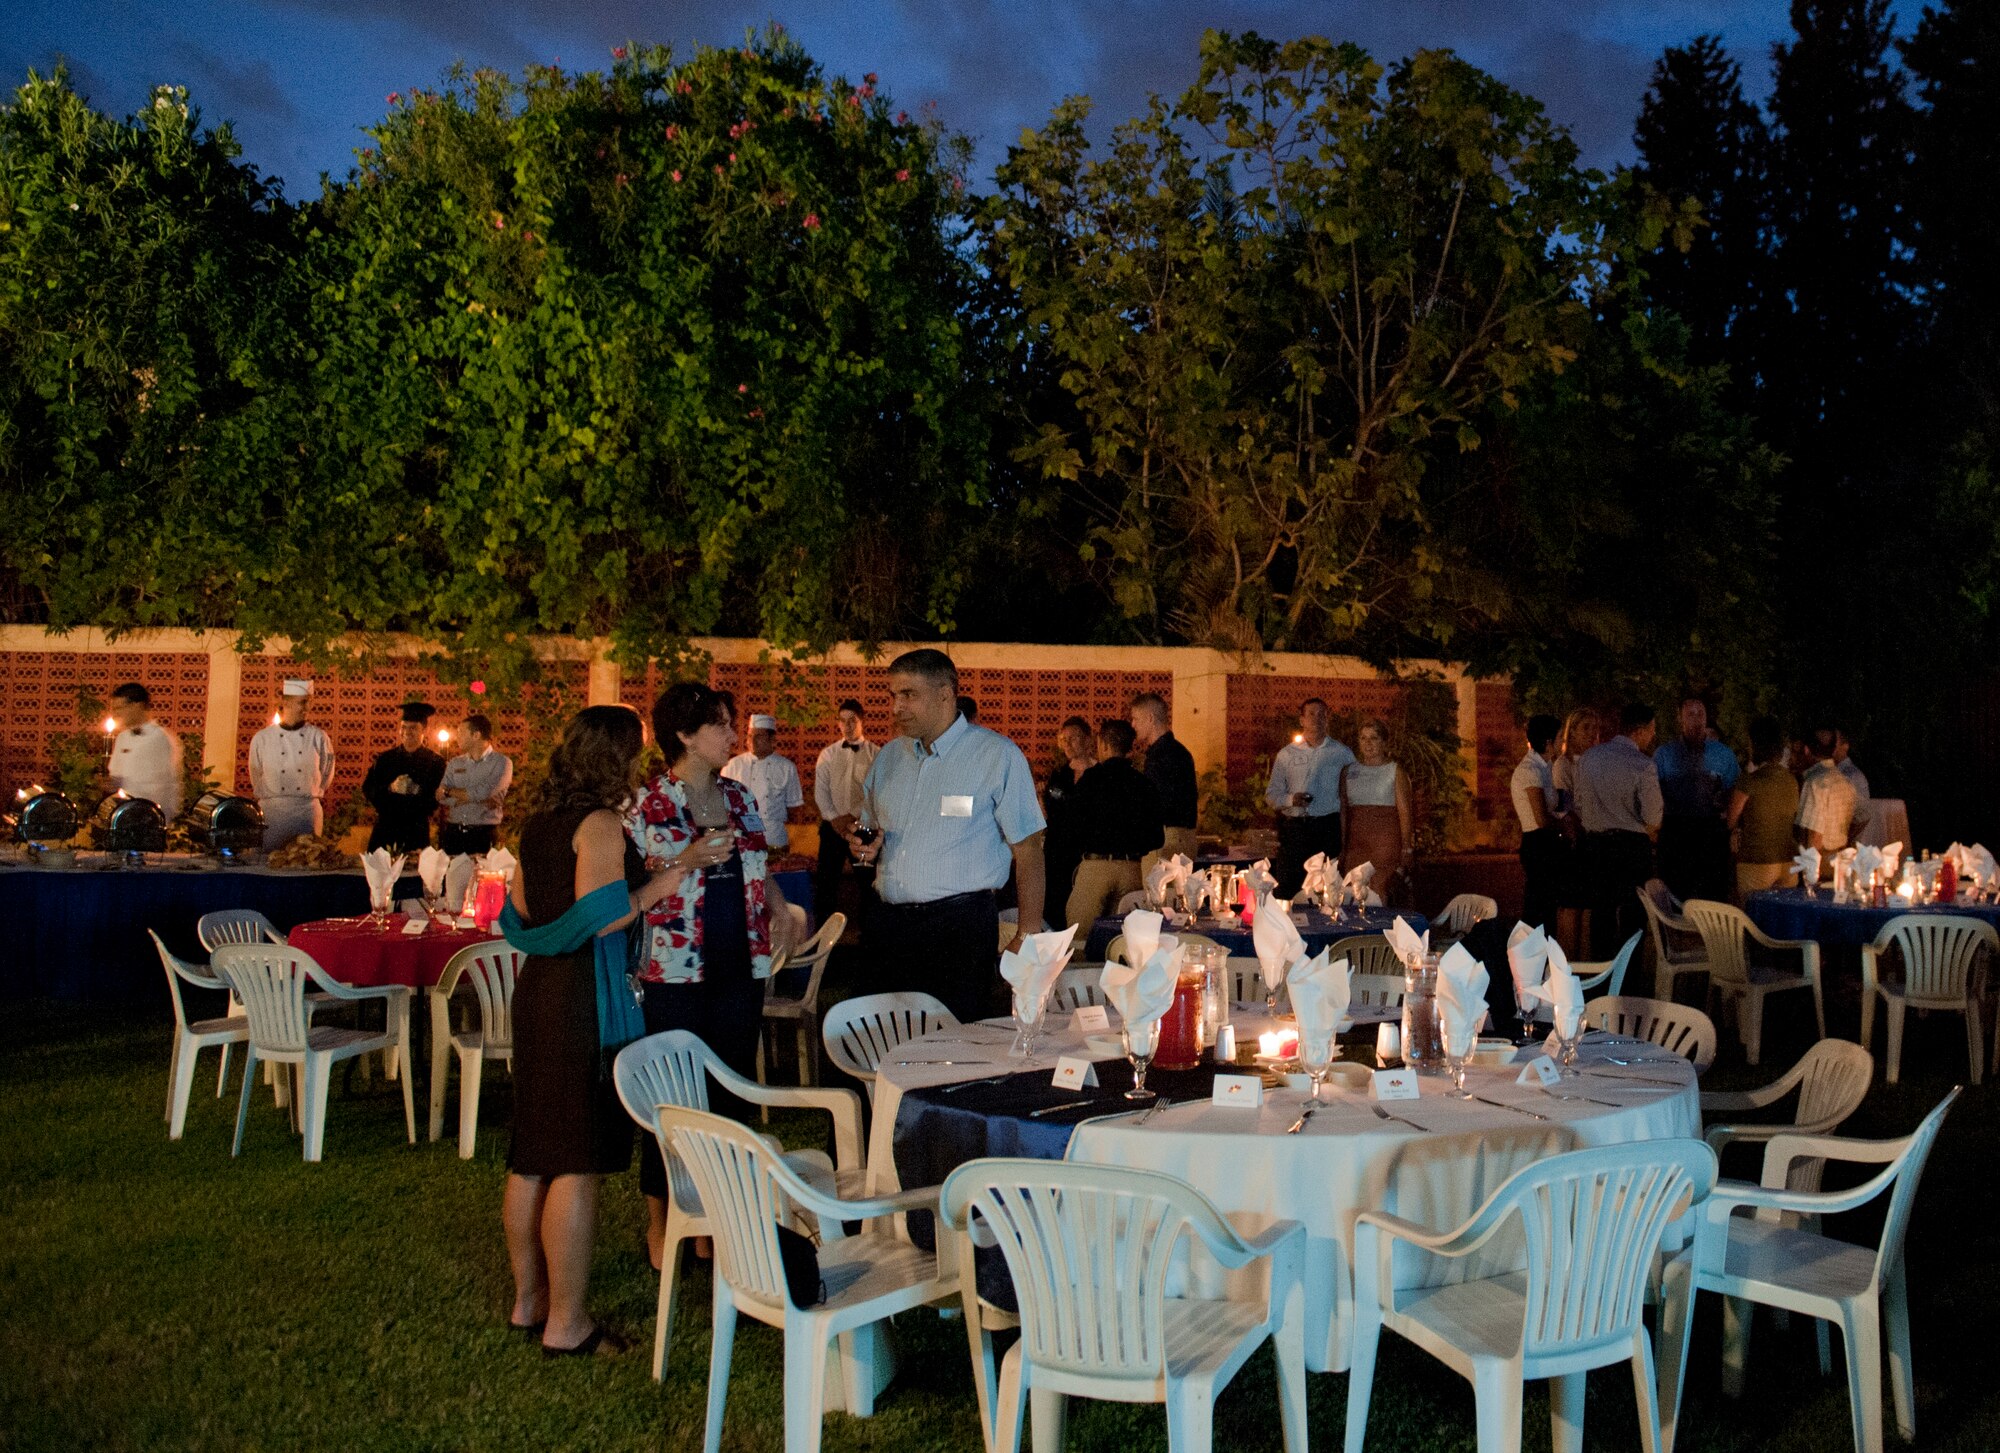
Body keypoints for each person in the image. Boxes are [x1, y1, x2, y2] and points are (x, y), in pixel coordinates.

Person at [503, 704, 684, 1356]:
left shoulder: (539, 823)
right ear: (617, 758)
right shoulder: (600, 824)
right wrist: (664, 882)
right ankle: (568, 1323)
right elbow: (605, 915)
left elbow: (519, 914)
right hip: (584, 997)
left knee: (533, 1155)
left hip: (539, 991)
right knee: (576, 1159)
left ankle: (529, 1301)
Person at [625, 684, 798, 1270]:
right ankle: (662, 1222)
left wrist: (779, 908)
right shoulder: (646, 803)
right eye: (721, 725)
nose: (731, 734)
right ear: (684, 735)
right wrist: (685, 860)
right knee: (675, 1100)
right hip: (675, 968)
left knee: (729, 1092)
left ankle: (716, 1226)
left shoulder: (738, 795)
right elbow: (627, 889)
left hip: (738, 962)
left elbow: (758, 865)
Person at [844, 649, 1046, 1022]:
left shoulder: (996, 756)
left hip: (958, 928)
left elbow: (1029, 848)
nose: (896, 707)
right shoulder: (888, 758)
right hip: (887, 924)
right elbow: (868, 832)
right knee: (881, 1033)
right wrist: (863, 847)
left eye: (908, 694)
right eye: (893, 696)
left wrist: (1027, 934)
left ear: (944, 694)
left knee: (954, 1038)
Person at [1575, 702, 1664, 957]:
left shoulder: (1589, 758)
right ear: (1641, 730)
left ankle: (1601, 969)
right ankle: (1629, 973)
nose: (1653, 736)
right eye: (1652, 730)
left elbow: (1579, 803)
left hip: (1595, 845)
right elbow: (1653, 817)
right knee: (1633, 916)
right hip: (1631, 848)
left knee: (1600, 911)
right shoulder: (1643, 765)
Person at [1064, 719, 1164, 933]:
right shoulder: (1143, 784)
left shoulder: (1091, 780)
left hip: (1096, 868)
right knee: (1123, 937)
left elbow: (1071, 827)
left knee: (1079, 935)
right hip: (1132, 869)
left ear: (1104, 745)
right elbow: (1157, 837)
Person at [1653, 694, 1740, 904]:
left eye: (1700, 713)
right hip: (1676, 829)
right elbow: (1654, 792)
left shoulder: (1723, 754)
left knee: (1712, 893)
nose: (1696, 719)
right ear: (1680, 719)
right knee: (1676, 892)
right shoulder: (1664, 754)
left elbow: (1734, 790)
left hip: (1711, 830)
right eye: (1690, 714)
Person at [1264, 699, 1355, 899]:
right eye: (1311, 714)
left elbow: (1354, 791)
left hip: (1327, 828)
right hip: (1295, 829)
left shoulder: (1342, 754)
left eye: (1321, 714)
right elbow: (1271, 795)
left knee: (1325, 889)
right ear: (1302, 720)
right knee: (1288, 887)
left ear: (1327, 719)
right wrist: (1291, 800)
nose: (1317, 718)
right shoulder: (1287, 754)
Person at [247, 679, 336, 850]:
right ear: (286, 702)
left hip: (306, 813)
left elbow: (327, 771)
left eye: (309, 702)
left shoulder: (318, 737)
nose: (307, 708)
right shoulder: (262, 738)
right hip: (272, 814)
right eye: (302, 702)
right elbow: (255, 772)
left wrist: (312, 791)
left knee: (307, 858)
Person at [811, 699, 877, 915]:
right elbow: (821, 792)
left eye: (852, 721)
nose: (847, 726)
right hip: (832, 828)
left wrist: (852, 816)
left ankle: (869, 931)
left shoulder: (875, 754)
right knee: (826, 884)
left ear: (862, 721)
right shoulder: (828, 754)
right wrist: (835, 819)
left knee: (867, 883)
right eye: (843, 721)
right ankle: (823, 932)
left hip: (863, 828)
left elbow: (874, 793)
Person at [1549, 707, 1602, 958]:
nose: (1592, 734)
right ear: (1572, 732)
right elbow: (1565, 807)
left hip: (1594, 839)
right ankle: (1567, 963)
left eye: (1595, 729)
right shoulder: (1564, 765)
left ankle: (1587, 964)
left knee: (1590, 907)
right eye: (1586, 728)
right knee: (1571, 906)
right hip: (1575, 841)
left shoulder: (1597, 764)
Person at [1729, 715, 1800, 901]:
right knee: (1782, 914)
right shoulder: (1791, 781)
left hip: (1756, 860)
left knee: (1751, 912)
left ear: (1755, 745)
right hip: (1788, 860)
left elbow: (1731, 819)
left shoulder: (1749, 781)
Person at [1340, 718, 1413, 897]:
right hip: (1357, 843)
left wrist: (1406, 847)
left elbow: (1405, 812)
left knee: (1379, 890)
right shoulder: (1349, 771)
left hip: (1384, 843)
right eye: (1363, 738)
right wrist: (1342, 844)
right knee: (1353, 890)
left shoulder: (1395, 771)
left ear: (1384, 742)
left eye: (1374, 738)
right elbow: (1344, 811)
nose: (1368, 743)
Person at [361, 701, 447, 854]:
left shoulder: (435, 762)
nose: (407, 732)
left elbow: (437, 798)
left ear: (424, 730)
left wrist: (417, 790)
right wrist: (390, 787)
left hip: (416, 830)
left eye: (413, 728)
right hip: (385, 829)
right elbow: (368, 789)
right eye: (403, 727)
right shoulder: (385, 759)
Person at [1130, 692, 1198, 874]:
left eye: (1136, 719)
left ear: (1150, 718)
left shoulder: (1159, 756)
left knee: (1157, 890)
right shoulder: (1181, 752)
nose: (1133, 725)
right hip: (1185, 837)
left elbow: (1155, 803)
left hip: (1165, 839)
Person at [721, 713, 804, 854]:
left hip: (774, 838)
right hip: (742, 841)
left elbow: (794, 808)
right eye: (750, 736)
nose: (752, 741)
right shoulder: (732, 766)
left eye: (759, 736)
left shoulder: (786, 767)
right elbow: (723, 805)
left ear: (772, 739)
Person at [1511, 714, 1563, 932]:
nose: (1562, 743)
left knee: (1547, 906)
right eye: (1560, 738)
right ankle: (1531, 949)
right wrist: (1564, 825)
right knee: (1538, 907)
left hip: (1545, 843)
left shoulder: (1545, 767)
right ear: (1549, 741)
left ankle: (1544, 949)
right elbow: (1541, 817)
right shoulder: (1530, 770)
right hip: (1537, 843)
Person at [1042, 716, 1095, 922]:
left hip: (1085, 853)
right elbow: (1050, 810)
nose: (1068, 744)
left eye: (1073, 738)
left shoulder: (1099, 775)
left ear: (1087, 739)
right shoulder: (1058, 775)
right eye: (1064, 739)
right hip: (1057, 853)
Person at [104, 682, 183, 819]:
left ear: (137, 706)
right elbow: (116, 776)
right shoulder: (122, 737)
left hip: (150, 816)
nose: (116, 714)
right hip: (125, 813)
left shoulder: (161, 738)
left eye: (119, 708)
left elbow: (168, 784)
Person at [438, 713, 512, 856]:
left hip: (483, 833)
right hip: (454, 832)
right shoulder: (455, 763)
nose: (457, 737)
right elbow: (440, 796)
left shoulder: (502, 763)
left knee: (482, 870)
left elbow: (484, 792)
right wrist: (476, 799)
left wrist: (450, 792)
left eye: (461, 732)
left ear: (476, 735)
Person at [1795, 727, 1858, 856]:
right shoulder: (1845, 782)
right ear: (1833, 750)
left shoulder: (1815, 783)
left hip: (1819, 858)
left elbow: (1814, 836)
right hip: (1839, 856)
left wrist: (1809, 864)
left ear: (1806, 750)